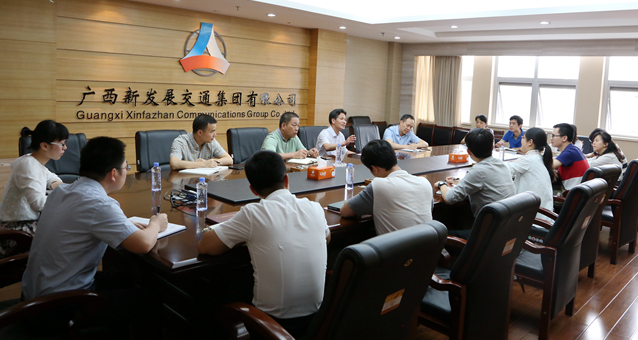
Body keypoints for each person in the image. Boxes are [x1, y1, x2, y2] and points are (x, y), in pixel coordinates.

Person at [21, 137, 168, 323]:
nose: (126, 171)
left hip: (33, 296)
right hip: (56, 308)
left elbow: (84, 221)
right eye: (126, 168)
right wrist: (156, 223)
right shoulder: (99, 204)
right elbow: (143, 244)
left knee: (128, 278)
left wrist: (123, 224)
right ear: (113, 173)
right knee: (151, 299)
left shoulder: (62, 191)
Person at [198, 151, 330, 338]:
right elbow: (327, 238)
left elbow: (205, 247)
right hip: (319, 321)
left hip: (272, 327)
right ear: (286, 179)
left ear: (253, 190)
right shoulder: (314, 207)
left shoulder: (253, 214)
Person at [0, 120, 68, 256]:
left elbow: (55, 179)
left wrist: (56, 187)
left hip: (27, 224)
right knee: (69, 239)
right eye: (62, 144)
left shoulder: (35, 163)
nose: (65, 148)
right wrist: (63, 198)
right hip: (17, 230)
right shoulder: (28, 164)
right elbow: (38, 203)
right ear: (44, 145)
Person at [340, 140, 433, 234]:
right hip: (430, 243)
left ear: (375, 169)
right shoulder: (424, 182)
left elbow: (345, 211)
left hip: (396, 244)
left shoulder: (379, 185)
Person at [437, 129, 516, 234]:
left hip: (488, 232)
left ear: (468, 151)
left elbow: (449, 198)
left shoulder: (478, 170)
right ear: (492, 147)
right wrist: (461, 182)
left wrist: (441, 184)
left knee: (441, 232)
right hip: (506, 226)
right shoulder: (502, 164)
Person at [506, 127, 555, 221]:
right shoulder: (538, 157)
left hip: (534, 221)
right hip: (544, 217)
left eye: (523, 137)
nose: (521, 139)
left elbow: (504, 171)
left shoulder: (529, 159)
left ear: (530, 142)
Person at [551, 123, 589, 191]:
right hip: (577, 191)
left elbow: (548, 165)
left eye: (553, 136)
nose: (551, 138)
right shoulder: (574, 149)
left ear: (564, 138)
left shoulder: (569, 152)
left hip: (572, 193)